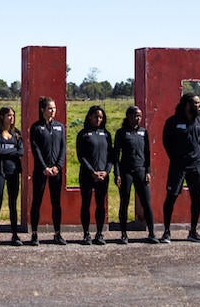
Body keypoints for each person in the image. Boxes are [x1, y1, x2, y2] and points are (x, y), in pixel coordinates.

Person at [161, 93, 200, 243]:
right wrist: (175, 157)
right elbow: (166, 141)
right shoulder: (173, 122)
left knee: (196, 197)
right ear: (186, 104)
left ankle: (193, 231)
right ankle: (166, 232)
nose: (199, 105)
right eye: (196, 103)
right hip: (178, 165)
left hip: (196, 165)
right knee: (171, 197)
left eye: (199, 103)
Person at [114, 106, 157, 244]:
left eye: (139, 116)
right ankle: (124, 234)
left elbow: (148, 153)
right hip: (126, 171)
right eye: (135, 115)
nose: (138, 118)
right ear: (128, 116)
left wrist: (148, 171)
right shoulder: (121, 133)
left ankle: (151, 233)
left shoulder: (144, 132)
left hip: (141, 171)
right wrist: (117, 173)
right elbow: (116, 156)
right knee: (124, 202)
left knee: (146, 203)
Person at [29, 96, 67, 245]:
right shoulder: (36, 127)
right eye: (50, 108)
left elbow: (63, 148)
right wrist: (44, 167)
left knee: (56, 202)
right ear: (43, 110)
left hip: (56, 171)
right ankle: (34, 234)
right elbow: (35, 149)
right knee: (36, 202)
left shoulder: (60, 127)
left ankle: (57, 233)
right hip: (41, 171)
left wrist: (58, 166)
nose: (53, 111)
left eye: (54, 108)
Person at [76, 105, 113, 245]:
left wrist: (106, 171)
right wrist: (92, 172)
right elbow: (81, 156)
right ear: (89, 116)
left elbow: (111, 156)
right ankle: (86, 234)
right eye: (96, 116)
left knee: (100, 205)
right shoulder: (83, 134)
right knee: (86, 204)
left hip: (103, 176)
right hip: (87, 175)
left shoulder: (107, 134)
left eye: (101, 117)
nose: (99, 119)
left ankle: (99, 233)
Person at [0, 107, 23, 247]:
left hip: (13, 171)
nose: (11, 118)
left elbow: (21, 151)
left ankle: (15, 234)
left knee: (13, 203)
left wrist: (10, 151)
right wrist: (13, 151)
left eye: (13, 116)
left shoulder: (17, 134)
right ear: (2, 117)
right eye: (9, 115)